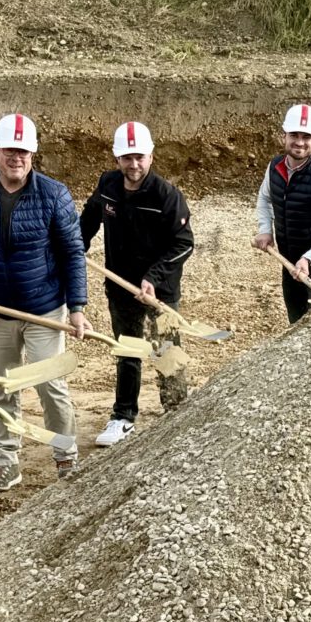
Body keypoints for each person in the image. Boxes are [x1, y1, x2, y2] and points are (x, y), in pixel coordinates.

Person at [0, 114, 90, 487]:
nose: (17, 157)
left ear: (33, 154)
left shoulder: (53, 194)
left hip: (44, 307)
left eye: (24, 151)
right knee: (4, 384)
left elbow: (72, 253)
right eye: (10, 150)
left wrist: (77, 308)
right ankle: (6, 461)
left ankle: (65, 455)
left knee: (50, 385)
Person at [80, 120, 195, 448]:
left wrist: (153, 278)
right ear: (117, 158)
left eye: (139, 157)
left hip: (161, 290)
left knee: (166, 349)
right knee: (128, 349)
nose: (134, 165)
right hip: (120, 285)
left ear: (151, 157)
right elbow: (88, 220)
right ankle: (124, 416)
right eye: (127, 158)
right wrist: (75, 247)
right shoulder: (108, 185)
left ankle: (175, 412)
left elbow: (184, 243)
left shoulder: (167, 196)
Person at [252, 103, 311, 324]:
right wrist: (265, 230)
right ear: (283, 136)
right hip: (290, 262)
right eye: (294, 135)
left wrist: (308, 258)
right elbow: (265, 198)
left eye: (307, 136)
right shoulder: (274, 167)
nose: (300, 142)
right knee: (296, 324)